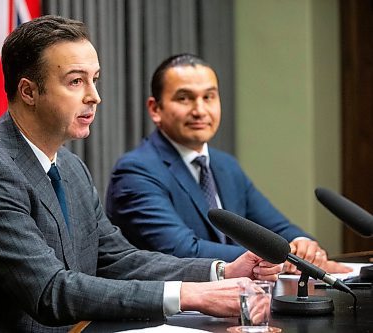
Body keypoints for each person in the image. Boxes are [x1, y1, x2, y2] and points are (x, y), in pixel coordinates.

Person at [0, 16, 282, 333]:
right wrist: (191, 295)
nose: (94, 96)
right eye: (76, 81)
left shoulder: (70, 166)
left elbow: (116, 260)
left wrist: (221, 272)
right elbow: (50, 293)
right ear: (28, 90)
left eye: (95, 79)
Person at [105, 53, 351, 273]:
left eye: (209, 97)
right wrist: (282, 258)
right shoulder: (136, 171)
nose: (200, 110)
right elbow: (182, 250)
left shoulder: (226, 166)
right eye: (184, 98)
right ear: (155, 109)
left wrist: (304, 245)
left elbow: (277, 227)